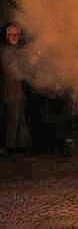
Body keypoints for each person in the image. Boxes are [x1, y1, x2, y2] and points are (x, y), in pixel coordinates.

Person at [1, 23, 31, 154]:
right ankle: (9, 147)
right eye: (11, 34)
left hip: (20, 92)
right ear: (6, 36)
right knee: (12, 119)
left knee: (20, 118)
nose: (14, 37)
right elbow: (12, 71)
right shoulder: (5, 51)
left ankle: (20, 146)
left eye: (17, 34)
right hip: (10, 91)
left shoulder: (19, 50)